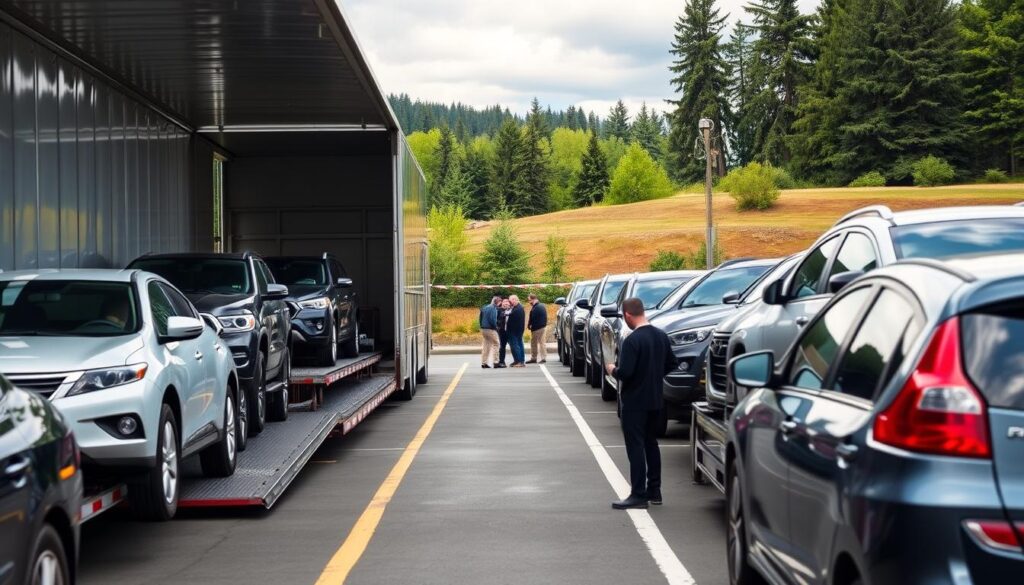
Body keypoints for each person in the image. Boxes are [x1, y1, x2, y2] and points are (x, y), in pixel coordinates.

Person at [605, 297, 678, 509]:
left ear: (628, 315)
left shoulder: (632, 340)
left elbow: (626, 373)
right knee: (651, 443)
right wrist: (654, 375)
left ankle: (638, 494)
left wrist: (612, 370)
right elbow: (672, 363)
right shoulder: (661, 336)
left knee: (635, 447)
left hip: (634, 401)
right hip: (655, 398)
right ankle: (655, 490)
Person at [479, 296, 500, 369]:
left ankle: (484, 363)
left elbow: (480, 317)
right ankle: (496, 362)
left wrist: (481, 326)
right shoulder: (493, 308)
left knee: (486, 345)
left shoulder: (485, 307)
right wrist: (496, 327)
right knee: (496, 344)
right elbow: (493, 319)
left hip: (483, 329)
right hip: (490, 329)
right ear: (498, 302)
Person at [526, 293, 548, 364]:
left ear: (534, 299)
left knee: (536, 343)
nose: (529, 302)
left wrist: (530, 325)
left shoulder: (537, 307)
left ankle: (536, 358)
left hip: (538, 328)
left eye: (529, 300)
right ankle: (541, 357)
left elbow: (533, 318)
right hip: (540, 327)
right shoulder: (539, 306)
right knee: (540, 343)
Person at [506, 294, 527, 367]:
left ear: (514, 300)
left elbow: (512, 319)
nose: (509, 302)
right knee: (518, 345)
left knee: (516, 346)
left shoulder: (518, 309)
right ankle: (518, 361)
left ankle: (519, 361)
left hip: (514, 331)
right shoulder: (518, 307)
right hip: (518, 330)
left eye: (510, 300)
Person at [495, 298, 512, 368]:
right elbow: (496, 319)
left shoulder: (512, 310)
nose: (506, 303)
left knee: (514, 346)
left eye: (507, 302)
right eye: (504, 302)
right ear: (502, 303)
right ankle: (501, 361)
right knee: (502, 347)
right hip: (501, 331)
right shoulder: (498, 310)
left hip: (510, 331)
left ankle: (517, 361)